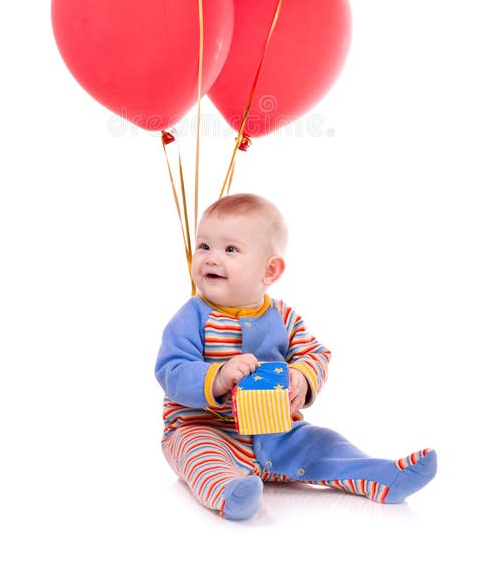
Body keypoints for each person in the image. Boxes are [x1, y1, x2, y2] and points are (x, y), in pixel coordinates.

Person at [154, 193, 437, 520]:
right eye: (204, 246)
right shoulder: (193, 316)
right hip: (206, 428)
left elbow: (315, 353)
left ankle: (382, 476)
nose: (211, 258)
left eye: (230, 249)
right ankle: (230, 492)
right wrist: (217, 377)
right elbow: (171, 370)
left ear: (270, 270)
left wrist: (301, 378)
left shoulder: (283, 317)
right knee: (198, 454)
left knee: (324, 443)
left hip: (277, 433)